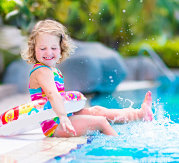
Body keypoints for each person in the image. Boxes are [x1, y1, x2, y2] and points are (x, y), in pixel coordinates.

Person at [21, 19, 153, 138]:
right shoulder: (41, 71)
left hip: (62, 116)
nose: (48, 52)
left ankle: (139, 114)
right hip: (54, 124)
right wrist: (63, 117)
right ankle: (118, 147)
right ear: (34, 49)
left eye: (54, 48)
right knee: (100, 121)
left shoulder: (53, 70)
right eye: (42, 48)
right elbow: (52, 94)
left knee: (98, 111)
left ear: (61, 48)